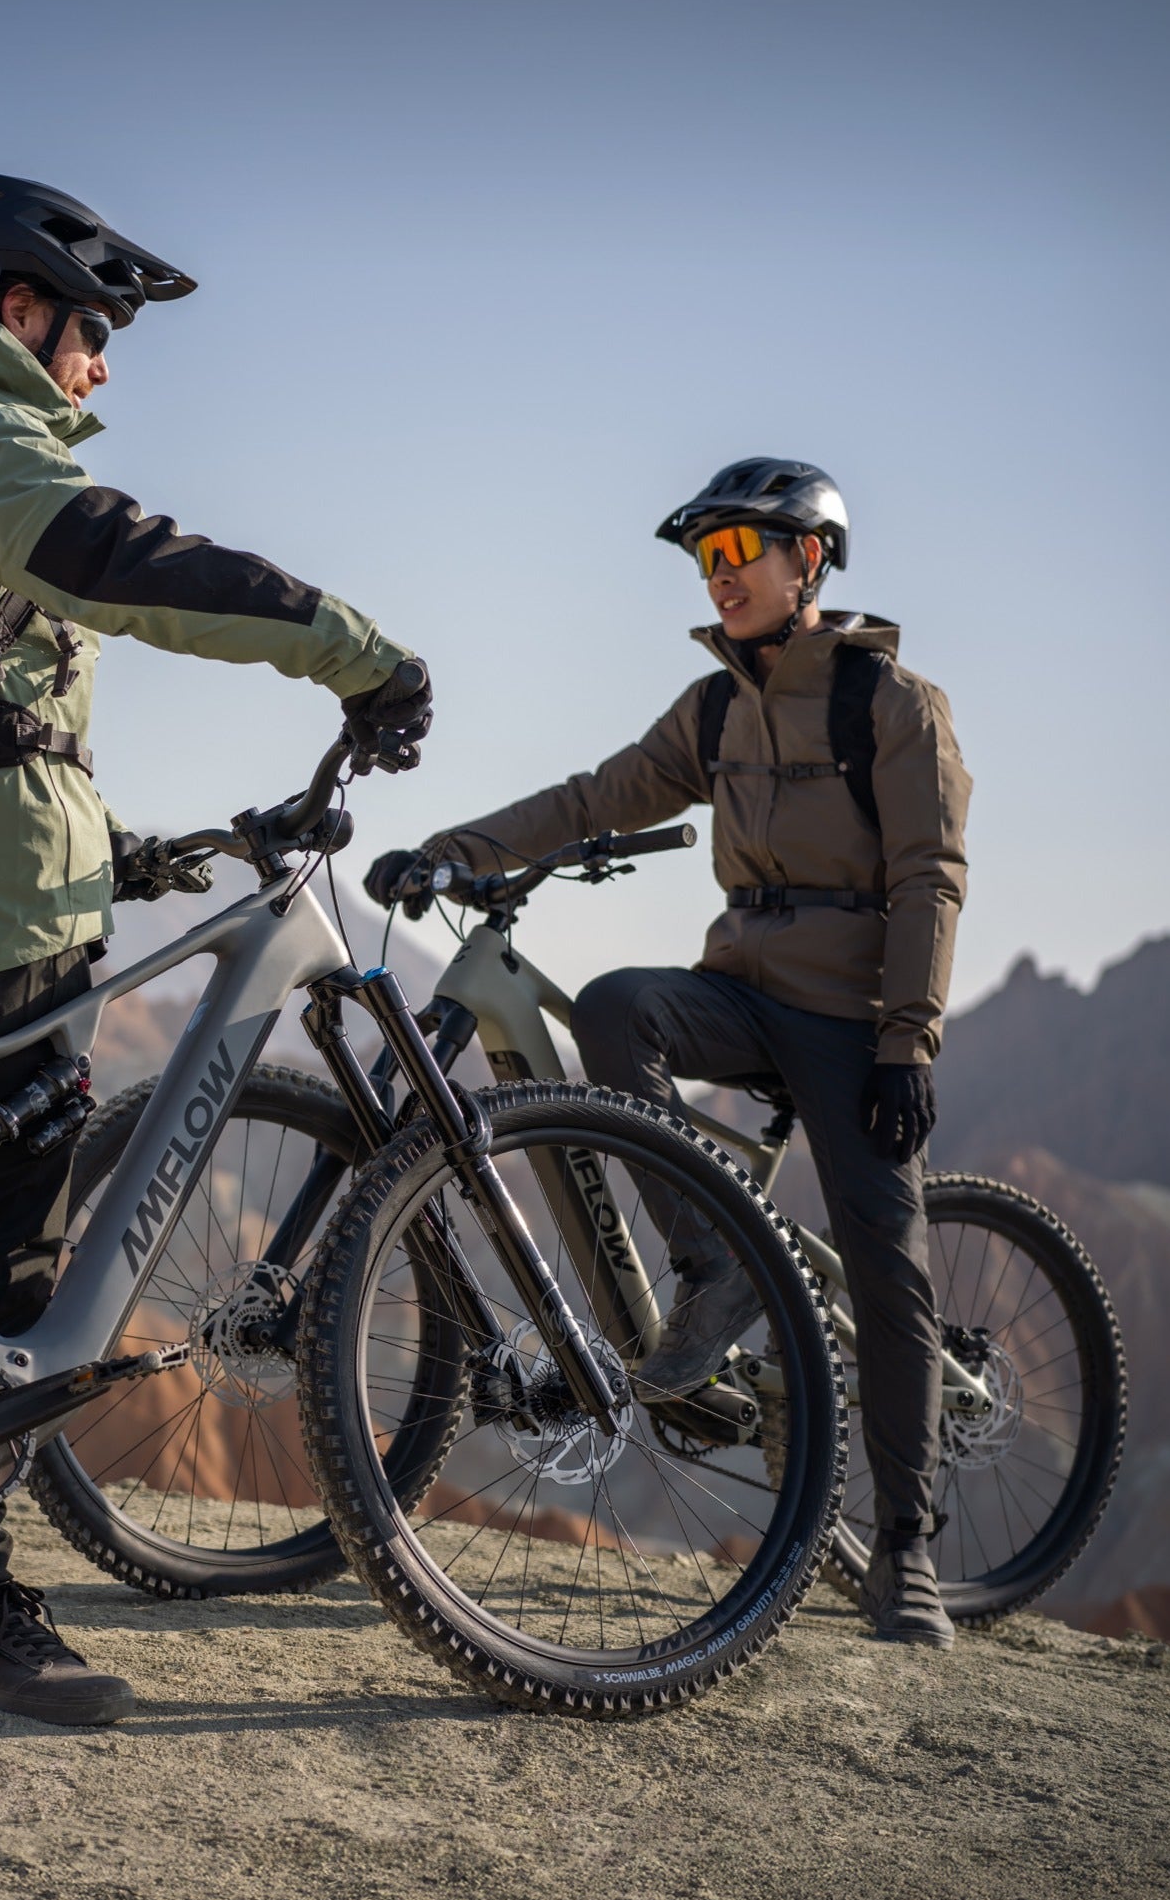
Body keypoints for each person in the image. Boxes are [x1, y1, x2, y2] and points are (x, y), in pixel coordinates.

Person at [0, 173, 430, 1723]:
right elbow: (127, 563)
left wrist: (121, 847)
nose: (103, 365)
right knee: (2, 1269)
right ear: (20, 311)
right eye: (94, 331)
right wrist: (357, 654)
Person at [364, 458, 968, 1647]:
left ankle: (905, 1549)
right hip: (737, 995)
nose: (719, 575)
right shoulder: (713, 708)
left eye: (741, 552)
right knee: (612, 1005)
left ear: (809, 562)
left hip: (854, 1021)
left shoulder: (889, 703)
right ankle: (716, 1263)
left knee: (887, 1264)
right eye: (705, 557)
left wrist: (908, 1037)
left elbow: (928, 874)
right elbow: (595, 795)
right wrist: (448, 847)